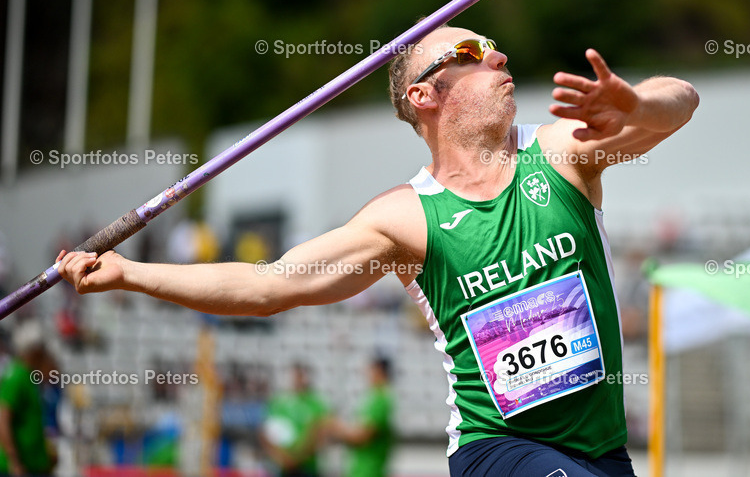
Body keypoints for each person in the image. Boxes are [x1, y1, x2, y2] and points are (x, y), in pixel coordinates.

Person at [57, 26, 699, 477]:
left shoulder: (561, 154)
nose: (499, 59)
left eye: (498, 49)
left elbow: (682, 104)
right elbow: (271, 284)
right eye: (475, 52)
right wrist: (130, 273)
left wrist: (637, 102)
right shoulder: (405, 219)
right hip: (499, 447)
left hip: (601, 450)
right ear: (425, 95)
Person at [0, 322, 56, 476]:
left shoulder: (27, 376)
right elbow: (3, 419)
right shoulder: (17, 377)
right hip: (19, 467)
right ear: (35, 351)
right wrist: (14, 461)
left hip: (32, 465)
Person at [322, 356, 394, 477]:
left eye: (371, 370)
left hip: (369, 471)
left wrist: (336, 427)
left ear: (379, 371)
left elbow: (362, 436)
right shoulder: (374, 398)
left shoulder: (381, 400)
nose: (367, 374)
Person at [260, 363, 330, 477]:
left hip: (308, 467)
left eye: (300, 376)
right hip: (280, 467)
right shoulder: (277, 403)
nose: (296, 380)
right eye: (294, 376)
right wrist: (281, 457)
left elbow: (322, 435)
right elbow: (266, 433)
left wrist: (298, 457)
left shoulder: (317, 404)